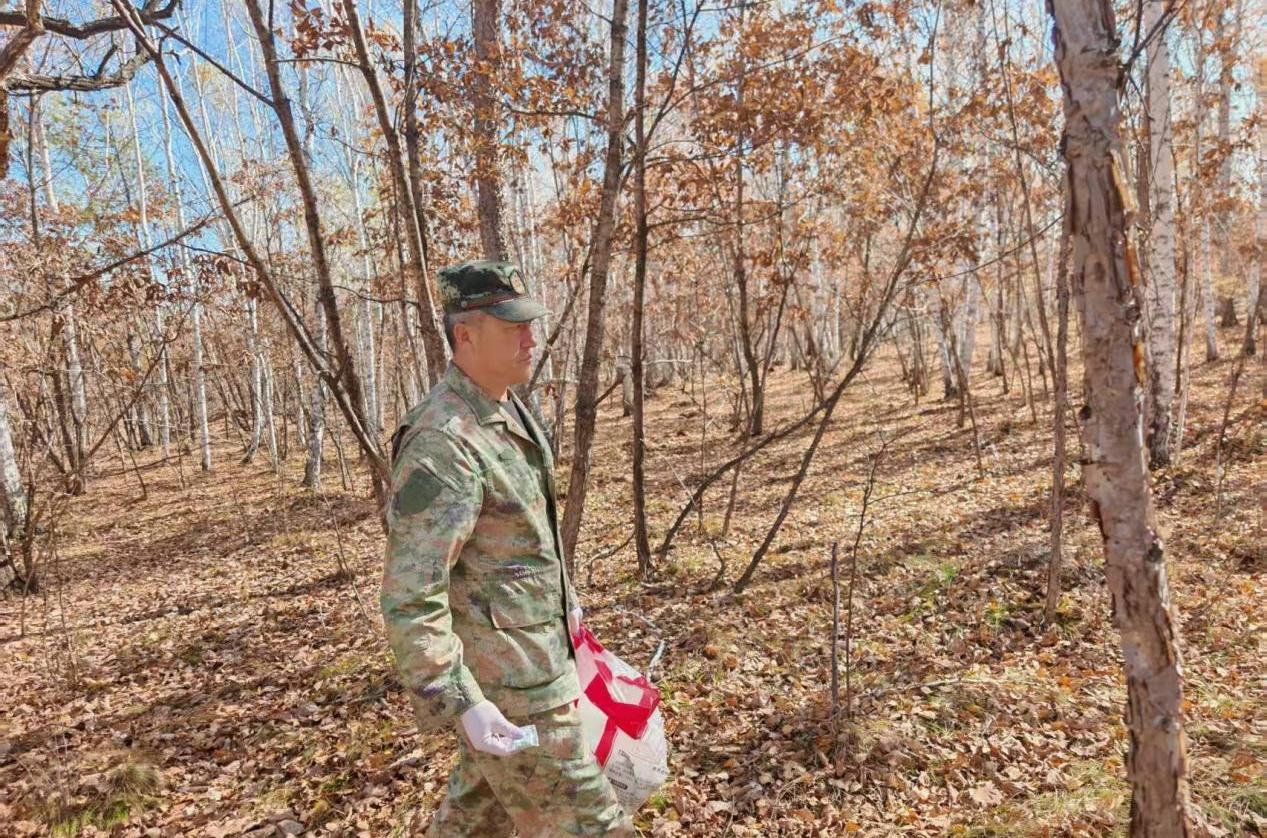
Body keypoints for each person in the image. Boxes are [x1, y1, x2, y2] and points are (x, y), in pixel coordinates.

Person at [381, 260, 633, 836]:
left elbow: (519, 542)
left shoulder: (504, 406)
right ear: (465, 336)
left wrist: (567, 610)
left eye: (529, 324)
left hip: (536, 665)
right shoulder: (443, 442)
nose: (530, 338)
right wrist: (461, 700)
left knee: (476, 823)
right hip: (516, 694)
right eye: (512, 326)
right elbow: (411, 594)